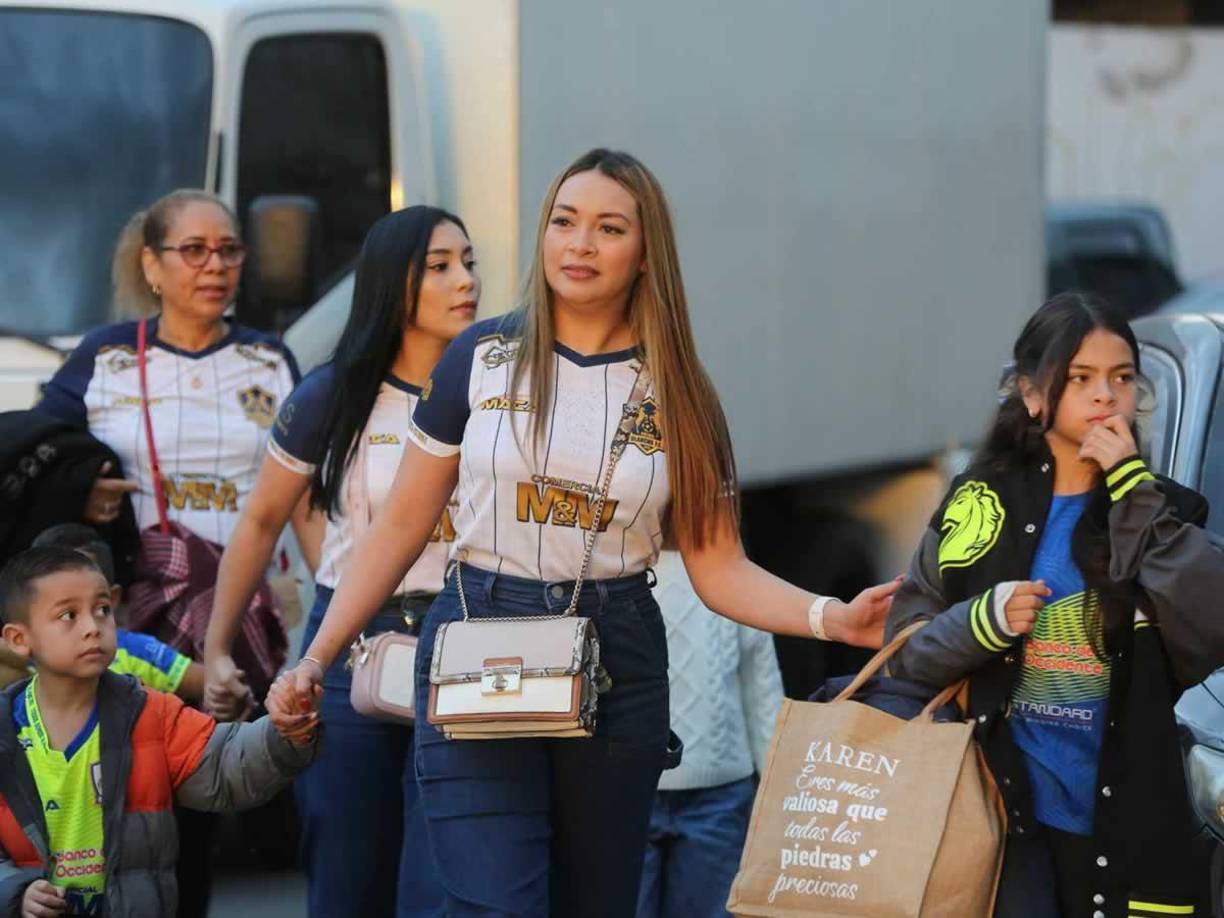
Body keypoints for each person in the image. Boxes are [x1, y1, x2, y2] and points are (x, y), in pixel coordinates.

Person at [269, 148, 899, 917]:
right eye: (564, 222)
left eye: (608, 228)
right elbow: (400, 526)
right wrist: (317, 659)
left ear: (644, 256)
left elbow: (718, 563)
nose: (580, 244)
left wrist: (831, 616)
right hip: (478, 632)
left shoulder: (684, 393)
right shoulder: (479, 357)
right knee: (496, 904)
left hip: (617, 651)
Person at [884, 292, 1224, 917]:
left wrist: (1130, 487)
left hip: (1125, 828)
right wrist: (978, 624)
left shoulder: (1162, 509)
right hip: (1002, 823)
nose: (1106, 396)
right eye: (1081, 378)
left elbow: (1211, 622)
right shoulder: (979, 502)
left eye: (1122, 378)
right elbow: (903, 649)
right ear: (1034, 395)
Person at [34, 188, 316, 918]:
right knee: (154, 812)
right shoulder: (105, 358)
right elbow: (34, 452)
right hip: (144, 624)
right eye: (193, 250)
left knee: (267, 794)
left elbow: (315, 485)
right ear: (152, 266)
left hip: (261, 618)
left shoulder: (270, 358)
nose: (214, 266)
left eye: (228, 250)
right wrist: (85, 485)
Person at [205, 206, 478, 917]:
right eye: (441, 266)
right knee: (346, 867)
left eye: (470, 263)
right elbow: (262, 520)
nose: (466, 281)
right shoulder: (332, 395)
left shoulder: (495, 392)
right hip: (348, 645)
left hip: (466, 640)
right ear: (394, 284)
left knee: (441, 876)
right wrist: (216, 648)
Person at [0, 546, 315, 918]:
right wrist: (13, 891)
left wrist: (283, 730)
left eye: (102, 610)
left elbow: (227, 765)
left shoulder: (150, 713)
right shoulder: (5, 730)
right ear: (19, 639)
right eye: (68, 615)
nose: (92, 627)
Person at [635, 550, 783, 918]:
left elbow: (763, 694)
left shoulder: (736, 575)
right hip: (628, 794)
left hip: (720, 797)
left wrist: (779, 800)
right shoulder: (609, 569)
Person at [28, 524, 209, 705]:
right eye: (65, 609)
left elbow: (214, 683)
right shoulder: (23, 665)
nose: (88, 628)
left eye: (94, 603)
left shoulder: (135, 651)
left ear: (112, 599)